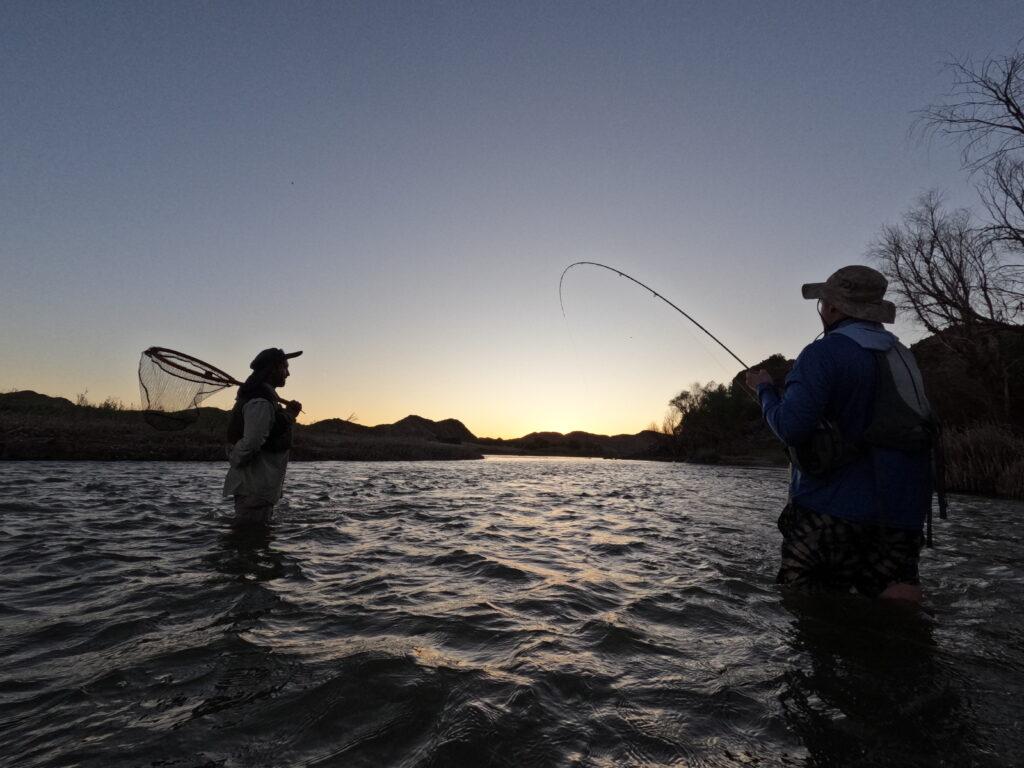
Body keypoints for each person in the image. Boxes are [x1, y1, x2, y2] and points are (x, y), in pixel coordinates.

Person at [745, 266, 933, 603]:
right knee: (896, 613)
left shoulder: (823, 353)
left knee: (809, 614)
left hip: (831, 510)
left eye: (822, 303)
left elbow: (790, 427)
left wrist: (765, 392)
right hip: (903, 514)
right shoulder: (905, 356)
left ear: (832, 308)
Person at [223, 348, 303, 524]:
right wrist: (234, 457)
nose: (288, 373)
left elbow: (272, 428)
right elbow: (252, 442)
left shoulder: (263, 399)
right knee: (249, 540)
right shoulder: (260, 401)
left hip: (259, 490)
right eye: (285, 367)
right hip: (254, 489)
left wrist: (290, 414)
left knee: (252, 541)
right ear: (273, 369)